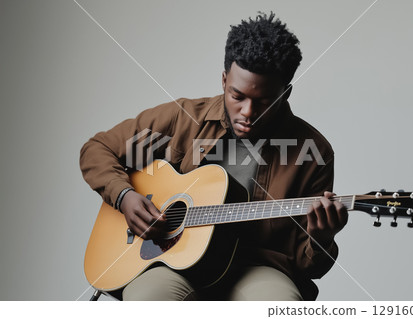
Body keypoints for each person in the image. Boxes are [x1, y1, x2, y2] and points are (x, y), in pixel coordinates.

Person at [80, 12, 348, 301]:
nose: (247, 112)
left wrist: (322, 238)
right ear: (223, 80)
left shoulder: (314, 152)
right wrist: (124, 197)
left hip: (260, 266)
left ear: (285, 94)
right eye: (237, 96)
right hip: (175, 260)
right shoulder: (184, 119)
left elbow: (309, 265)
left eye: (263, 103)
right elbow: (98, 149)